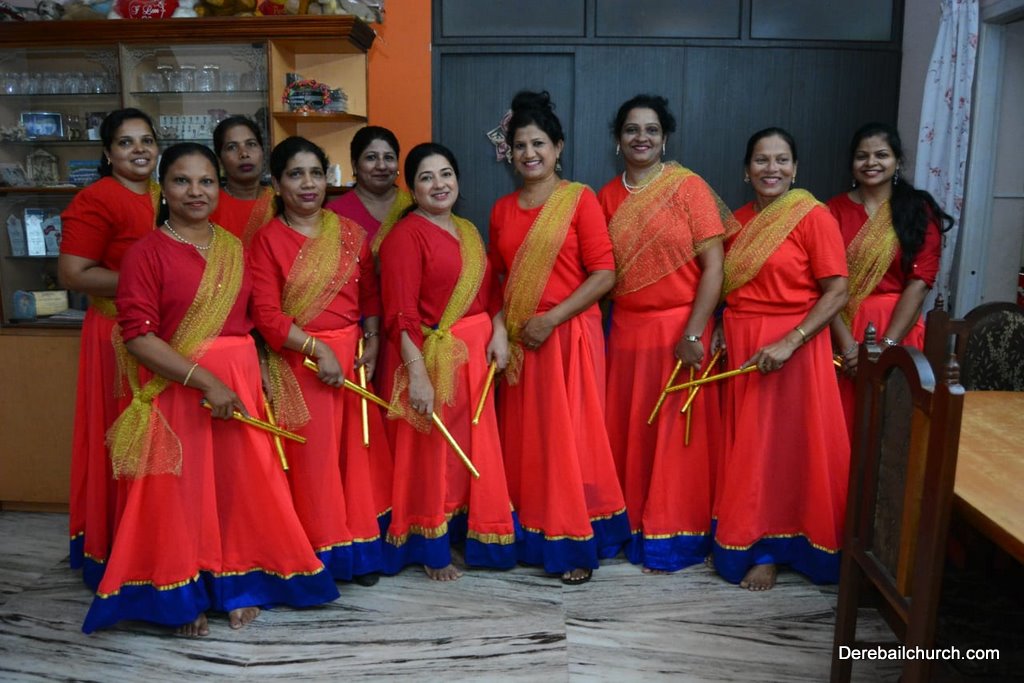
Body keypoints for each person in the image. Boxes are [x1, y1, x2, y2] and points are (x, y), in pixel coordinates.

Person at [82, 143, 339, 635]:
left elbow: (251, 323)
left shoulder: (233, 248)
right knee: (180, 495)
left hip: (240, 386)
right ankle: (181, 594)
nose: (195, 192)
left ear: (218, 188)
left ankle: (238, 583)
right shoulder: (146, 253)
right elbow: (138, 337)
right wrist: (207, 382)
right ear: (163, 190)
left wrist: (259, 374)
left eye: (205, 181)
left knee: (242, 486)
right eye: (182, 181)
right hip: (181, 390)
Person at [489, 91, 629, 585]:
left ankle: (574, 541)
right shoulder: (502, 209)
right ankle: (533, 533)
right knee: (529, 441)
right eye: (520, 145)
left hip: (569, 336)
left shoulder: (579, 199)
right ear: (510, 153)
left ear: (558, 147)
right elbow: (498, 280)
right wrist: (501, 331)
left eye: (539, 144)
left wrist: (552, 319)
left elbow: (605, 273)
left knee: (570, 438)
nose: (530, 153)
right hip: (522, 343)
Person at [248, 136, 392, 586]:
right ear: (276, 184)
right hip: (301, 363)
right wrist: (318, 350)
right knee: (315, 463)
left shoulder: (350, 233)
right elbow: (267, 316)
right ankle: (322, 555)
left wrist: (372, 339)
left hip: (354, 357)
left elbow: (370, 295)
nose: (308, 184)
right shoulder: (266, 241)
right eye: (296, 174)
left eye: (316, 173)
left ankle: (360, 552)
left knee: (358, 456)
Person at [713, 127, 850, 591]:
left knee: (787, 451)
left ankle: (777, 548)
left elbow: (837, 292)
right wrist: (720, 325)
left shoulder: (813, 217)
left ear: (796, 169)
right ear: (746, 170)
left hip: (795, 350)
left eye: (781, 160)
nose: (771, 168)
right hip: (743, 346)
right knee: (749, 452)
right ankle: (750, 539)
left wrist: (791, 341)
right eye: (761, 160)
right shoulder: (735, 222)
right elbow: (730, 287)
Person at [597, 95, 729, 573]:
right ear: (618, 140)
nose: (642, 138)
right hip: (626, 333)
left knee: (679, 438)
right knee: (629, 432)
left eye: (651, 129)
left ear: (665, 137)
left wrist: (694, 334)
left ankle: (673, 535)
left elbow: (715, 267)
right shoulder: (605, 198)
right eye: (632, 129)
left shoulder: (689, 188)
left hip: (681, 331)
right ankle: (628, 524)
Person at [378, 142, 519, 581]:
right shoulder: (405, 237)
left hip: (476, 361)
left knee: (470, 451)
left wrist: (499, 332)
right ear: (412, 189)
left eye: (446, 174)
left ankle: (467, 532)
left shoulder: (468, 230)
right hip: (434, 359)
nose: (439, 184)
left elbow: (492, 294)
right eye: (426, 177)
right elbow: (400, 316)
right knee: (434, 453)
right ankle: (431, 546)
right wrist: (417, 375)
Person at [59, 108, 161, 590]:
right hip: (116, 333)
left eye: (146, 140)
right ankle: (120, 548)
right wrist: (151, 280)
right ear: (107, 153)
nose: (139, 150)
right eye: (126, 142)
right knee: (125, 436)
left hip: (159, 329)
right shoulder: (98, 198)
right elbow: (73, 273)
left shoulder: (163, 193)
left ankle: (155, 539)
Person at [828, 122, 951, 431]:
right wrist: (848, 347)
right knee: (844, 422)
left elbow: (920, 282)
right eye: (862, 156)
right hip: (841, 328)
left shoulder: (917, 210)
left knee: (894, 426)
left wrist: (886, 346)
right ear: (852, 163)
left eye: (881, 155)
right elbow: (823, 283)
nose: (871, 163)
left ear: (897, 161)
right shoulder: (831, 211)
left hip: (900, 327)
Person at [325, 125, 412, 254]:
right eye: (371, 157)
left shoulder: (413, 206)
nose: (381, 166)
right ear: (355, 165)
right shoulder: (335, 214)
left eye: (388, 157)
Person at [210, 116, 274, 245]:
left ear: (263, 151)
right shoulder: (209, 204)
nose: (244, 154)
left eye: (251, 144)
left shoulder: (281, 200)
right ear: (219, 160)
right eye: (232, 147)